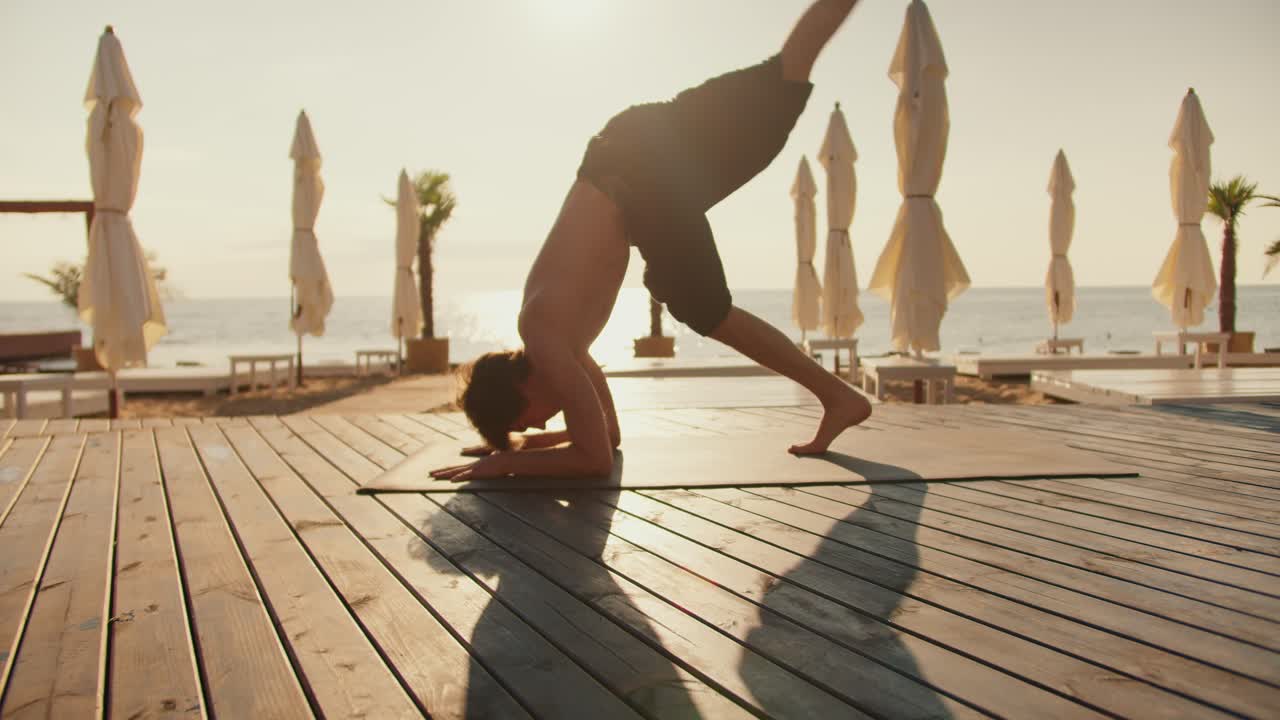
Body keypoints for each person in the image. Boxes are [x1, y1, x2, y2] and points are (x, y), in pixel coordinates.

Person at [432, 0, 871, 482]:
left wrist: (508, 463)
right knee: (785, 77)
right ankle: (838, 397)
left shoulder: (546, 336)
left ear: (518, 388)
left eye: (528, 419)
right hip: (636, 149)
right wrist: (518, 447)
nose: (542, 421)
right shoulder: (562, 344)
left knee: (703, 309)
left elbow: (595, 459)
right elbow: (609, 437)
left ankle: (837, 396)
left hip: (636, 173)